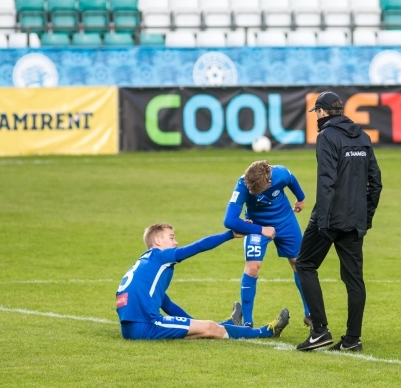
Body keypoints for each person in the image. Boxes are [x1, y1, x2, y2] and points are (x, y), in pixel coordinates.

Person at [295, 91, 382, 352]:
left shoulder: (327, 137)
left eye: (316, 113)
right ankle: (353, 339)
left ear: (321, 112)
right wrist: (365, 217)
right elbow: (375, 182)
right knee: (354, 280)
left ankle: (319, 330)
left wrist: (323, 219)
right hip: (354, 220)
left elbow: (327, 181)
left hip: (330, 218)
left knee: (305, 265)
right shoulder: (363, 136)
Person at [115, 222, 290, 340]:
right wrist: (230, 234)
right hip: (147, 324)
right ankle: (265, 331)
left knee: (205, 328)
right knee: (210, 328)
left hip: (131, 328)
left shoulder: (145, 263)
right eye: (171, 237)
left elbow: (167, 305)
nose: (176, 242)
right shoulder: (160, 256)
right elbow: (197, 247)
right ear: (158, 241)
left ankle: (229, 324)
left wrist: (194, 324)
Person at [223, 160, 312, 329]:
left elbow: (291, 179)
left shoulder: (281, 174)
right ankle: (247, 322)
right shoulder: (243, 184)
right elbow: (229, 220)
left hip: (286, 222)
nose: (250, 191)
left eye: (253, 189)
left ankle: (310, 314)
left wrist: (300, 198)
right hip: (258, 226)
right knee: (253, 267)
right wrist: (260, 229)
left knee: (299, 264)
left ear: (269, 182)